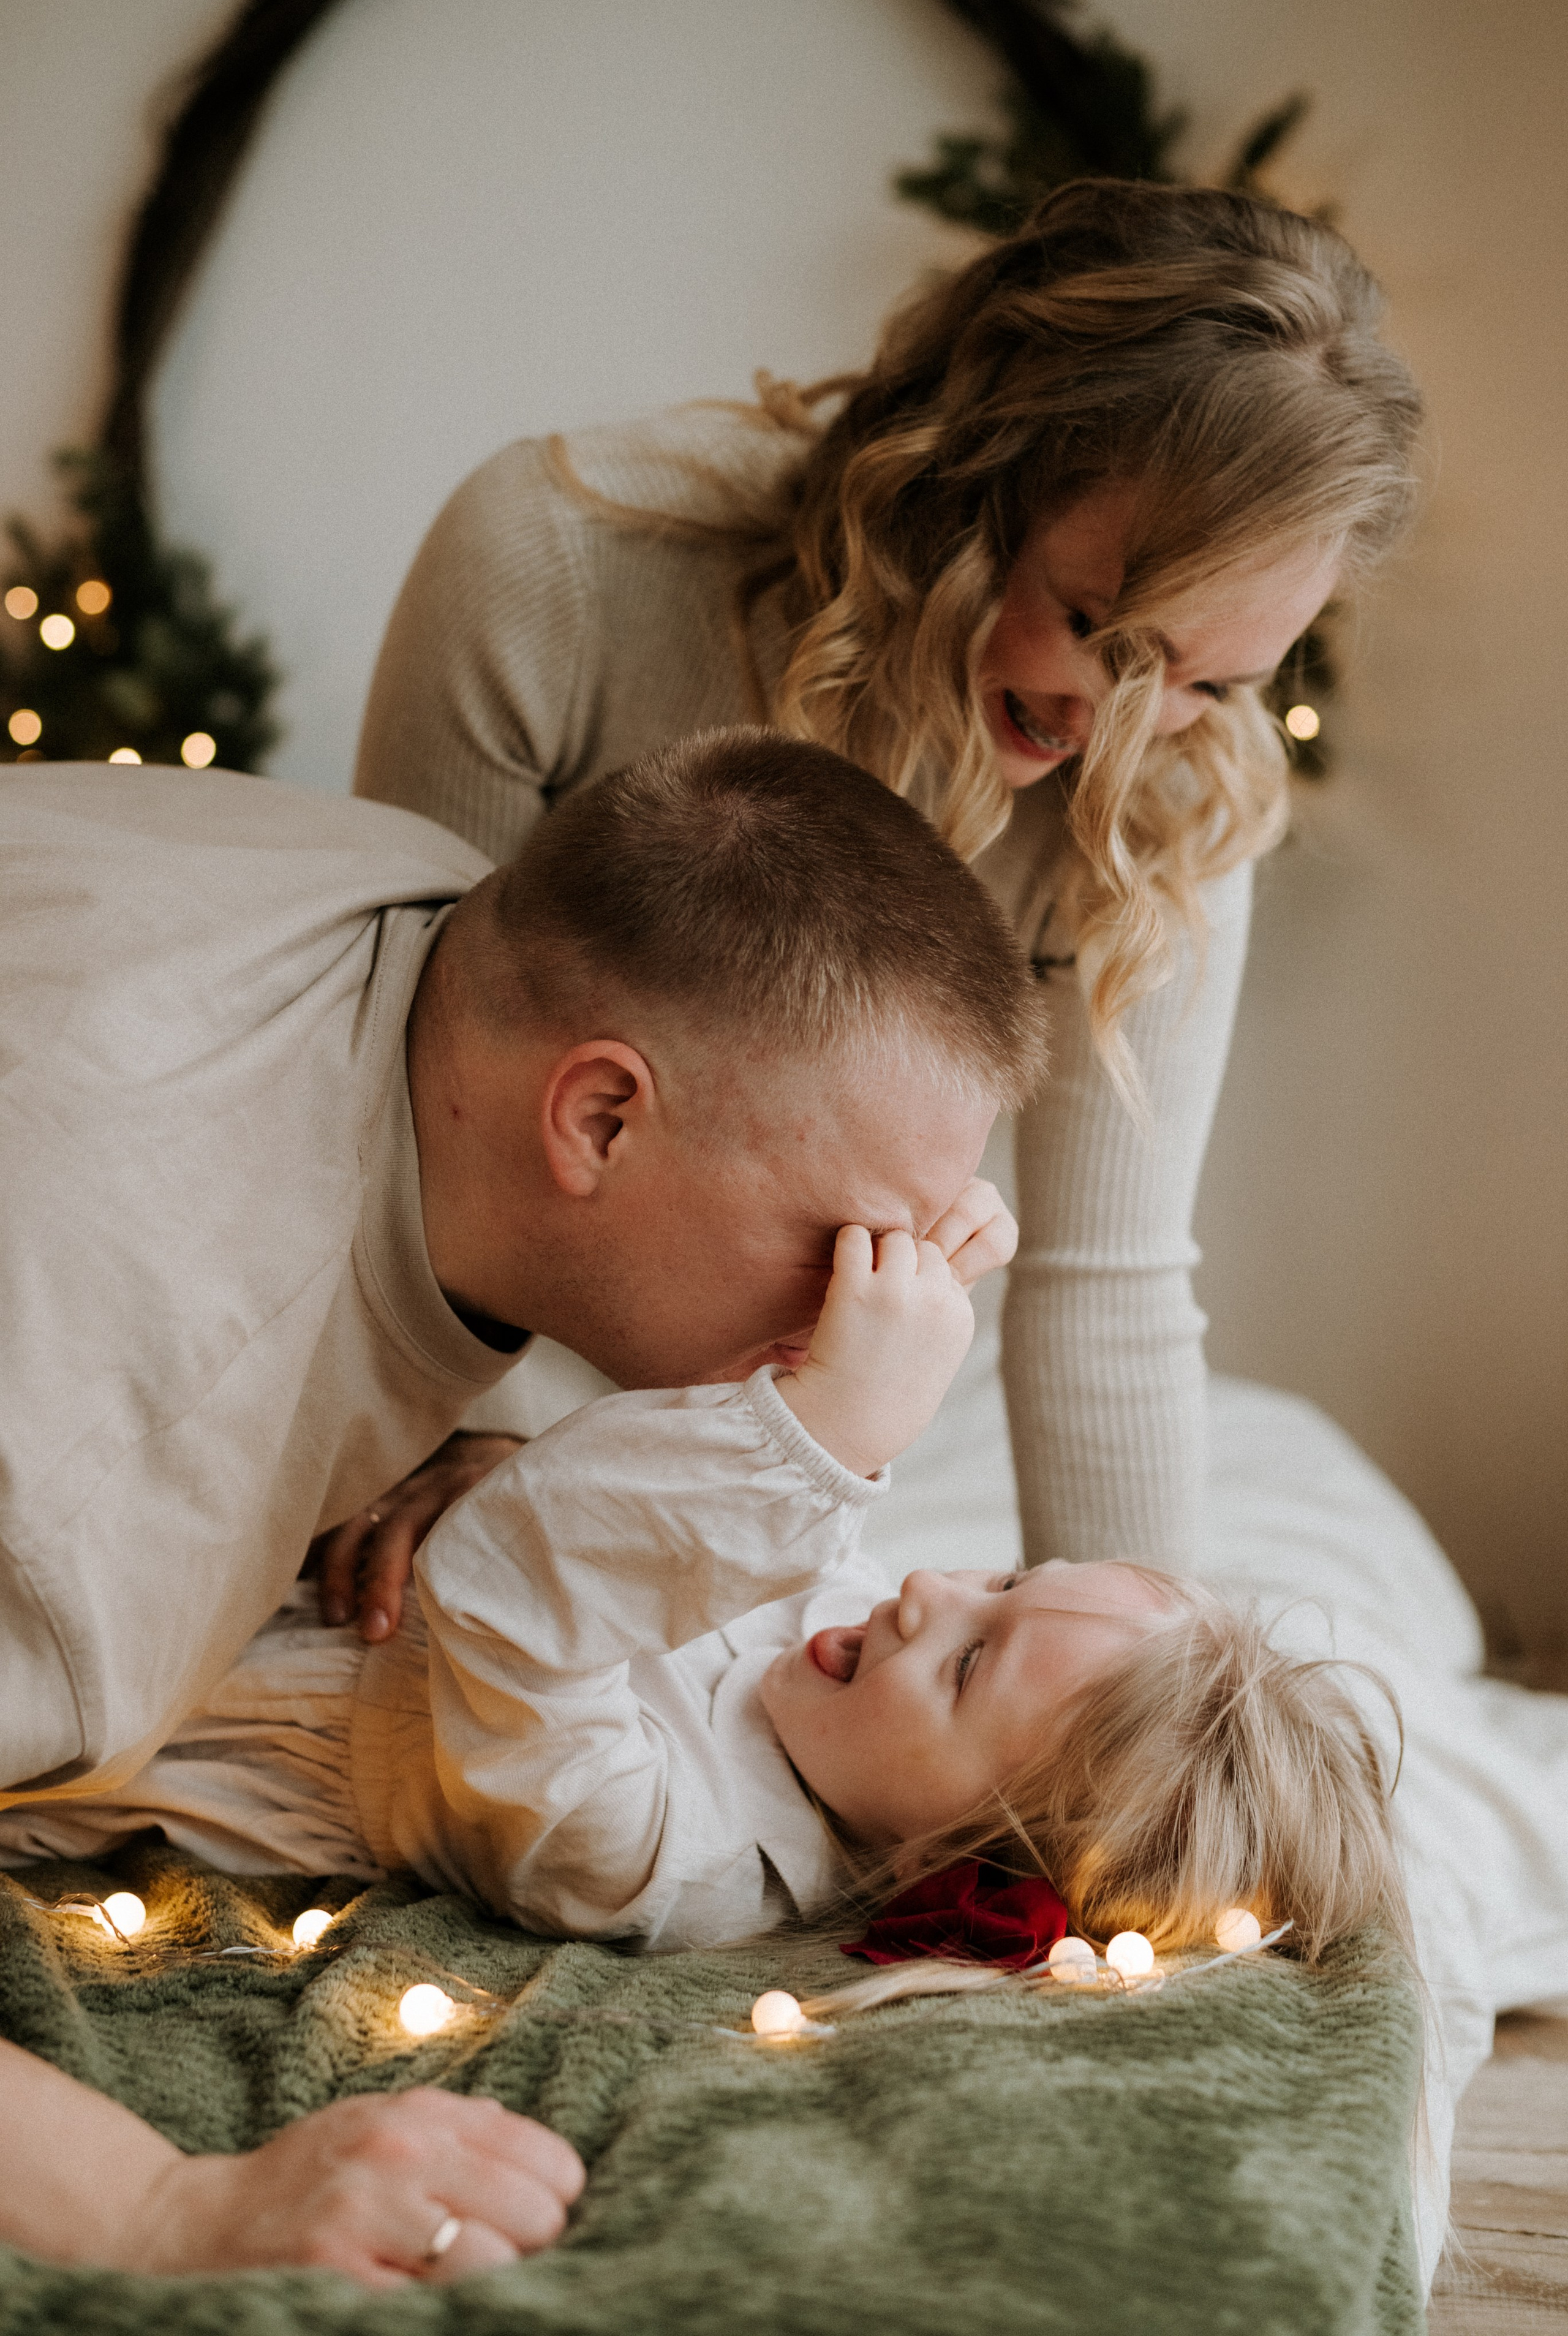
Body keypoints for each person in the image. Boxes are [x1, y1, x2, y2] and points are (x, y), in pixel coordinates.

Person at [0, 725, 1038, 2279]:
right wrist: (170, 2210)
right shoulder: (93, 1478)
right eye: (856, 1247)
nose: (890, 1316)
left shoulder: (398, 887)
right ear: (602, 1119)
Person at [354, 175, 1424, 1583]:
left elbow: (1102, 1283)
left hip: (800, 1439)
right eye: (1101, 628)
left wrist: (1124, 1675)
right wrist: (463, 1443)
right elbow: (399, 1094)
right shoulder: (557, 566)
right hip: (482, 1364)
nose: (1118, 731)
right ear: (967, 481)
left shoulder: (1173, 791)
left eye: (1214, 679)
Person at [1, 1211, 1408, 1982]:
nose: (926, 1588)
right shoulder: (842, 1635)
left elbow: (507, 1587)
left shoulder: (674, 1863)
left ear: (952, 1868)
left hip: (122, 1699)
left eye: (972, 1662)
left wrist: (827, 1435)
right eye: (1001, 1576)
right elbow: (691, 1438)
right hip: (228, 1523)